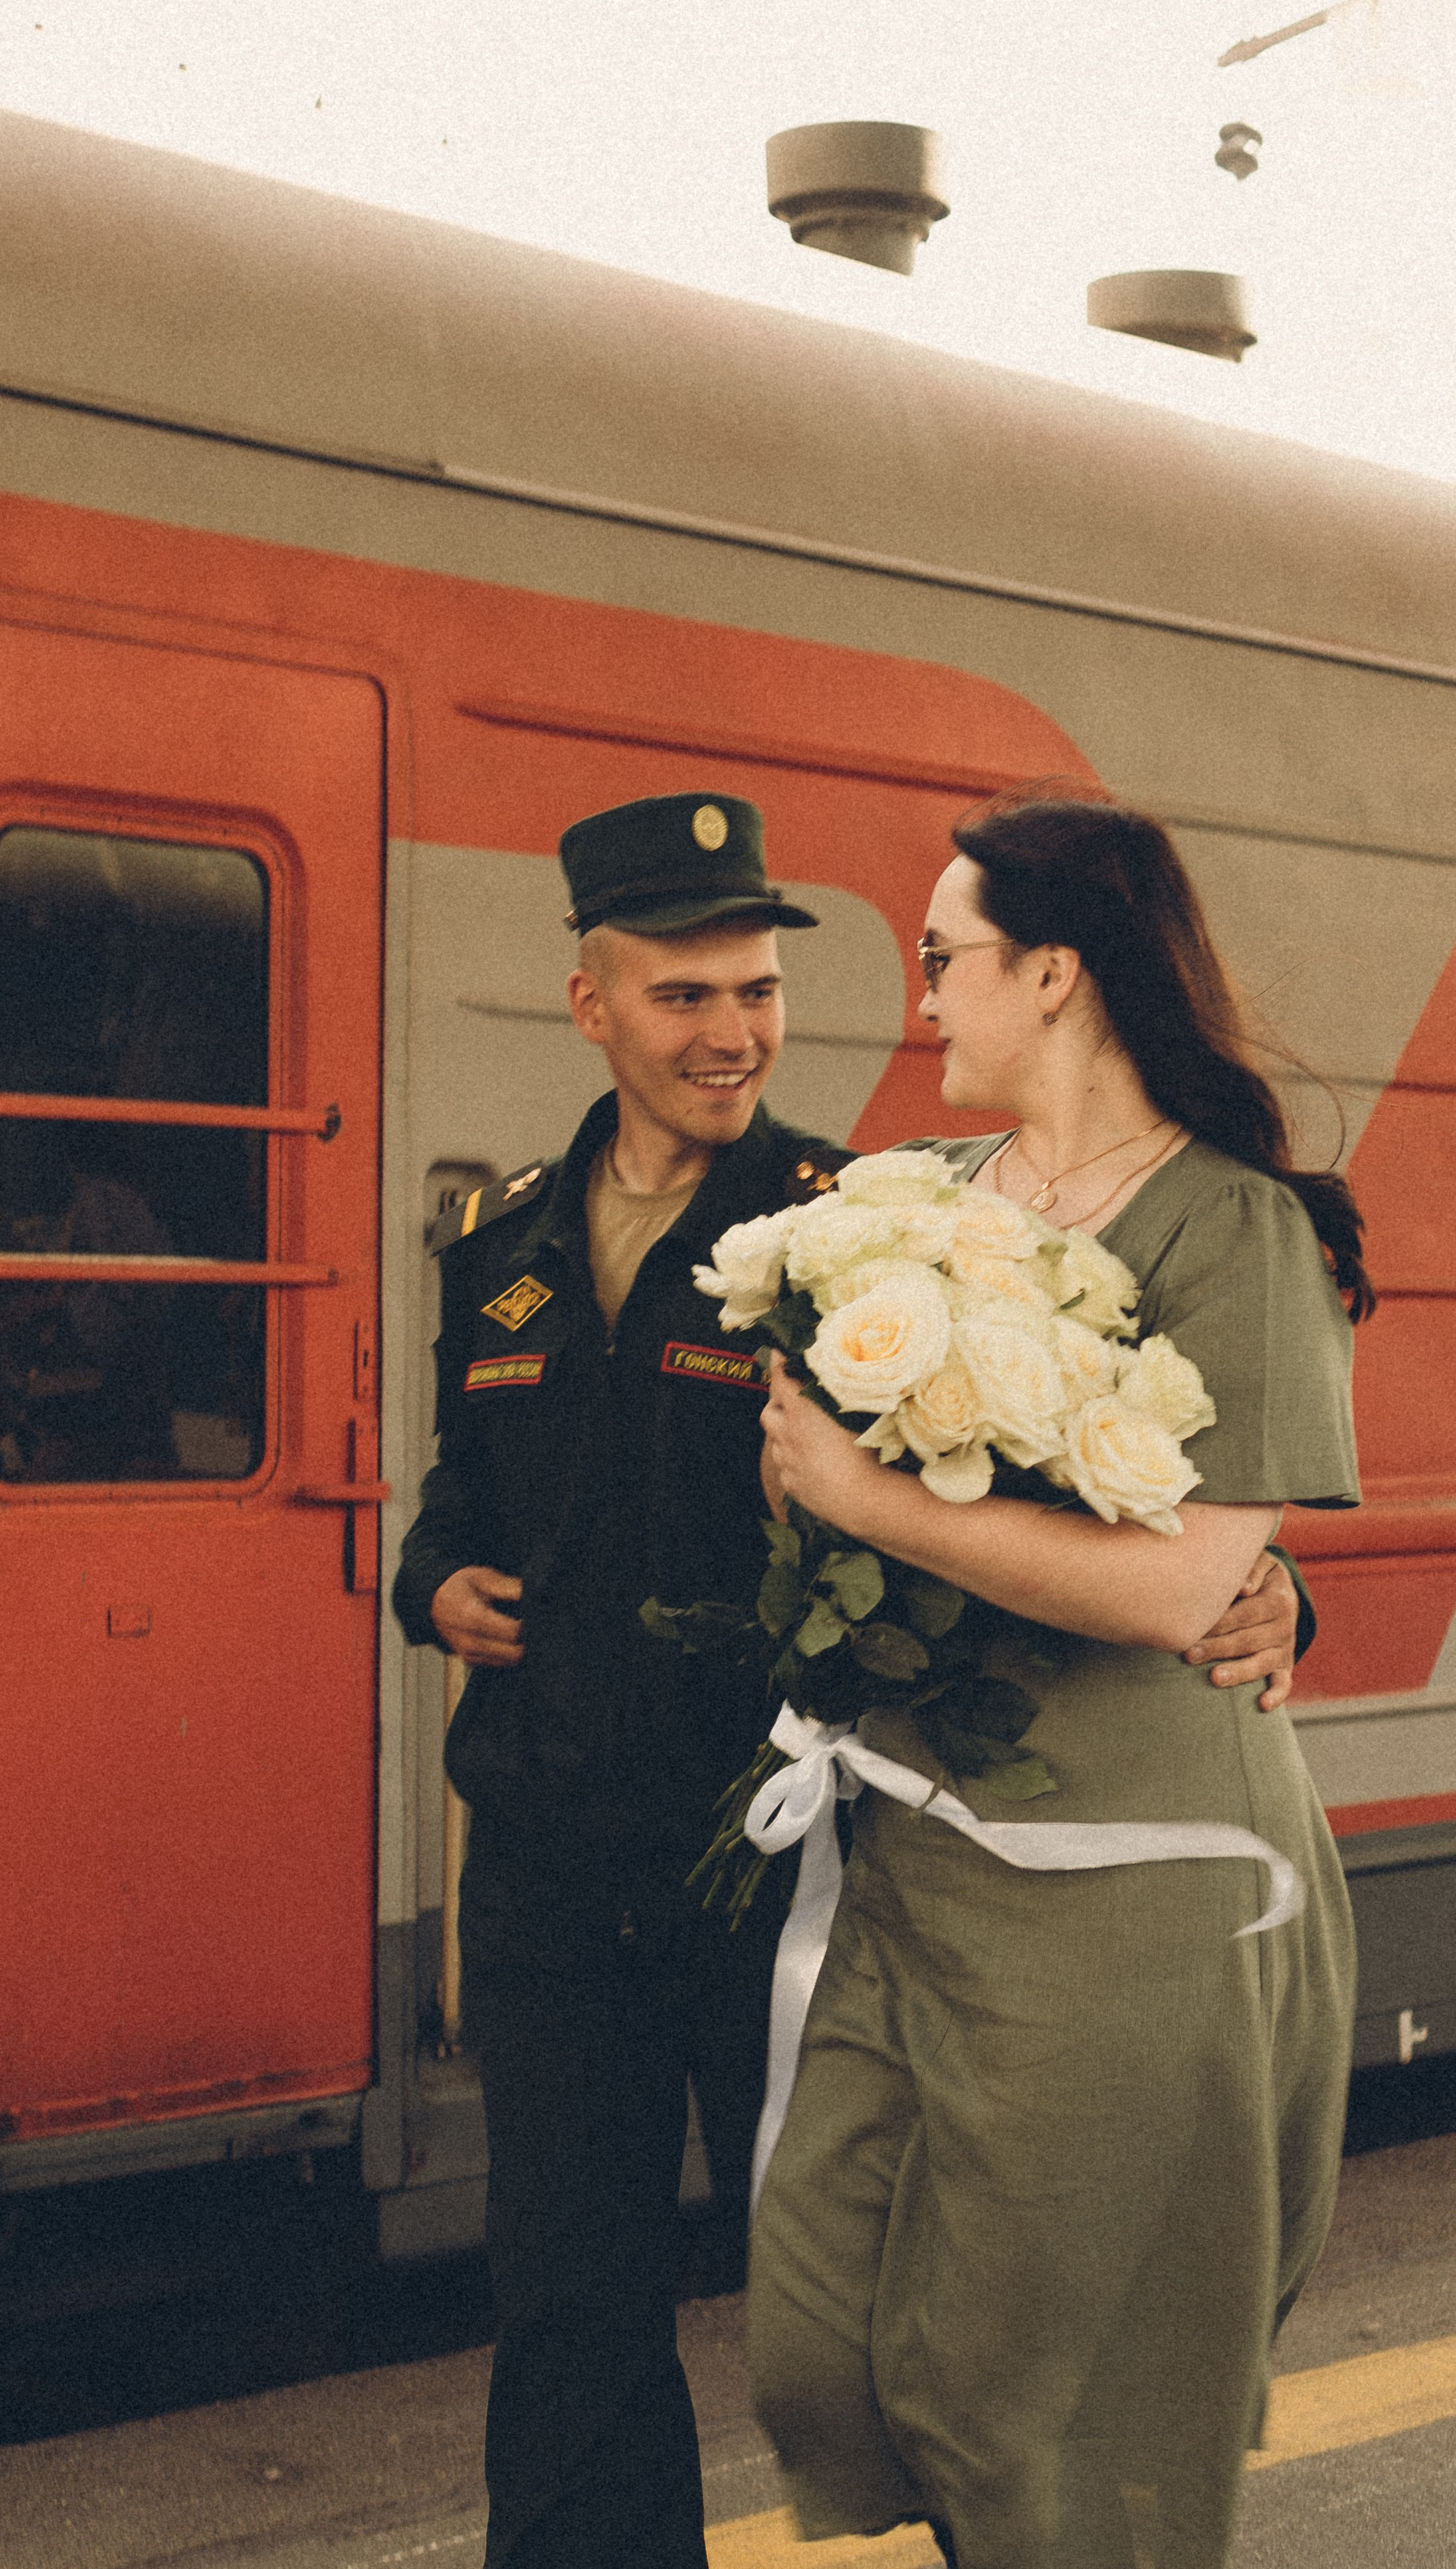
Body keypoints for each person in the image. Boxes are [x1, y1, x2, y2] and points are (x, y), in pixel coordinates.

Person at [391, 791, 1306, 2569]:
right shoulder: (499, 1245)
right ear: (593, 1002)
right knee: (567, 2311)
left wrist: (1264, 1593)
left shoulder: (853, 1236)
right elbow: (460, 1491)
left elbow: (1058, 1489)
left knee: (883, 2311)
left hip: (782, 1869)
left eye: (758, 992)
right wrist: (435, 1582)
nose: (733, 1033)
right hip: (555, 1866)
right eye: (687, 997)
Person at [746, 795, 1370, 2569]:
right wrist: (826, 1509)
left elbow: (1183, 1586)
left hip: (1138, 1878)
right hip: (925, 1855)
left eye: (944, 956)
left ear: (1057, 973)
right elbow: (793, 1463)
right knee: (823, 2333)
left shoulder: (1236, 1228)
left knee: (1044, 2404)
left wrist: (876, 1503)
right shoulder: (913, 1208)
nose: (923, 992)